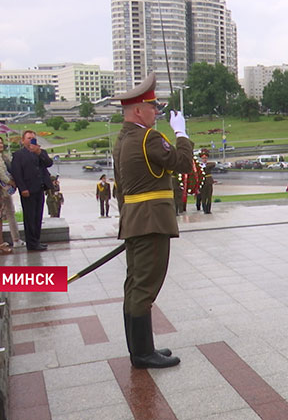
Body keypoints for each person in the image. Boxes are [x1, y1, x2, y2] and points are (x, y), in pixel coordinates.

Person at [112, 72, 194, 368]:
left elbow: (121, 187)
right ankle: (142, 354)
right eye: (152, 107)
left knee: (135, 285)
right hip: (151, 222)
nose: (156, 112)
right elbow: (183, 163)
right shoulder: (148, 138)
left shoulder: (123, 139)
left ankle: (141, 348)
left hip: (135, 220)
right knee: (145, 287)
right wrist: (181, 134)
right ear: (137, 111)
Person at [11, 130, 54, 251]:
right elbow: (17, 173)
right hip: (28, 190)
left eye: (33, 138)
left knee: (37, 216)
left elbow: (49, 163)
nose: (31, 140)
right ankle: (31, 242)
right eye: (29, 138)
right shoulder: (19, 155)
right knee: (29, 217)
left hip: (39, 188)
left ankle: (36, 240)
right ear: (23, 140)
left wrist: (39, 152)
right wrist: (22, 188)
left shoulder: (40, 152)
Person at [0, 135, 24, 252]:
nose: (0, 145)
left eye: (1, 143)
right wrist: (11, 182)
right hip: (1, 190)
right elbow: (1, 173)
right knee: (7, 214)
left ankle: (1, 241)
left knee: (4, 215)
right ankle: (12, 240)